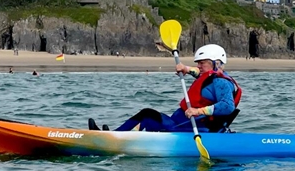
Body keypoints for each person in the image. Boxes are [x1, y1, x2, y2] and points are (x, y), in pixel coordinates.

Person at [90, 44, 242, 133]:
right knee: (149, 117)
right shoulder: (212, 77)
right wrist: (186, 69)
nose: (199, 66)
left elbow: (227, 106)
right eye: (198, 62)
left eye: (202, 63)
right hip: (181, 124)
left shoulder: (221, 83)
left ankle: (114, 137)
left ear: (216, 63)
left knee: (148, 115)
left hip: (191, 129)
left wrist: (198, 111)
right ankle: (116, 136)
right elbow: (202, 78)